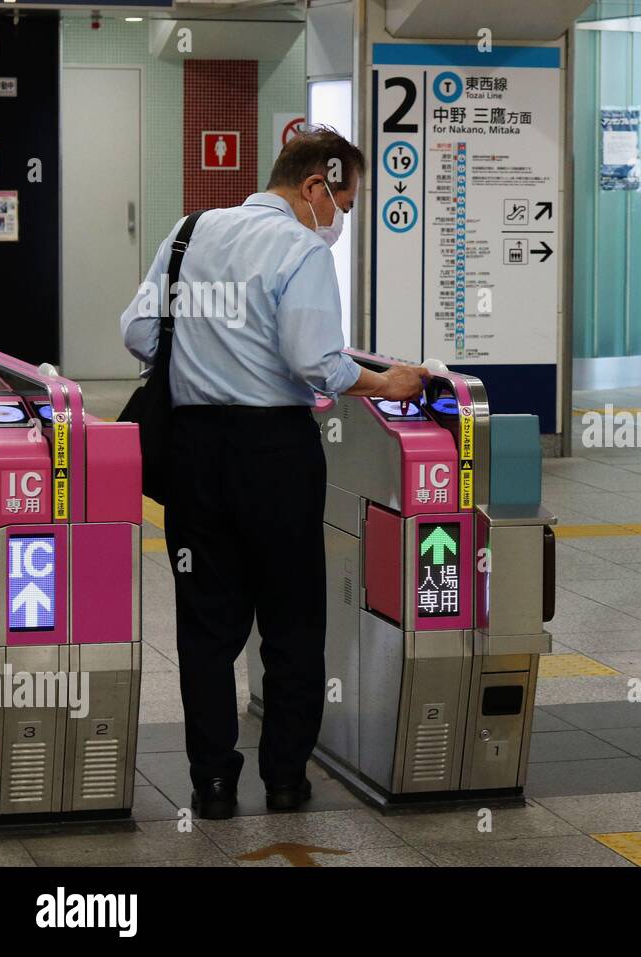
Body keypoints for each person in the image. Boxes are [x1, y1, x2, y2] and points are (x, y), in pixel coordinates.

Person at [119, 127, 427, 819]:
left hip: (193, 454)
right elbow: (318, 361)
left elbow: (138, 332)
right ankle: (285, 777)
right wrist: (391, 380)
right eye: (344, 204)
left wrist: (207, 348)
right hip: (275, 454)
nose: (340, 222)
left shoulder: (189, 230)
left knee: (205, 625)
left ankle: (213, 784)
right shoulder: (300, 248)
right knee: (290, 619)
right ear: (317, 185)